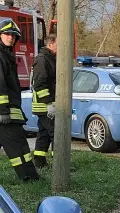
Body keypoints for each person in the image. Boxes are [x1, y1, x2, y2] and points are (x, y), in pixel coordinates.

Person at [0, 19, 40, 181]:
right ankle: (27, 177)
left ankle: (32, 176)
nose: (10, 37)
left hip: (12, 112)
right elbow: (0, 84)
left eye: (13, 36)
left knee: (21, 145)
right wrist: (2, 111)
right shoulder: (1, 56)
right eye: (7, 34)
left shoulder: (6, 55)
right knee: (16, 148)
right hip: (5, 114)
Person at [31, 34, 57, 168]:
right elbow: (39, 84)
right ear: (50, 44)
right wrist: (48, 103)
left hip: (47, 104)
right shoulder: (42, 59)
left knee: (44, 134)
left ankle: (40, 162)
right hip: (44, 105)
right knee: (56, 133)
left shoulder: (49, 58)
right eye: (58, 43)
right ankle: (59, 165)